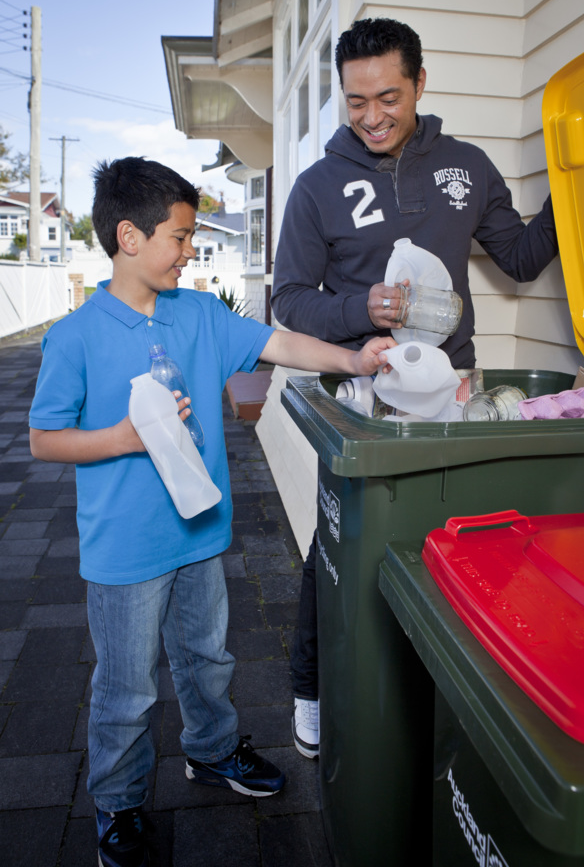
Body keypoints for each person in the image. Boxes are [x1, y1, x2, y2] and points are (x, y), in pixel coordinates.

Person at [29, 156, 395, 867]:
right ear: (130, 237)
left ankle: (213, 751)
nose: (191, 250)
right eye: (181, 236)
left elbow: (278, 343)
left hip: (198, 531)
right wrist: (120, 439)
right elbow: (44, 438)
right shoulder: (74, 337)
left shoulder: (198, 313)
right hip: (125, 550)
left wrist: (356, 361)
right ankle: (119, 802)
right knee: (127, 687)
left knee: (207, 658)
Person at [271, 17, 559, 759]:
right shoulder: (316, 187)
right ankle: (310, 686)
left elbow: (522, 258)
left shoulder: (465, 165)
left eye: (388, 97)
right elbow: (292, 300)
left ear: (421, 85)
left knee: (457, 538)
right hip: (368, 399)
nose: (371, 116)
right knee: (344, 544)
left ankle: (434, 695)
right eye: (355, 101)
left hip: (454, 392)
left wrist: (581, 180)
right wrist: (356, 309)